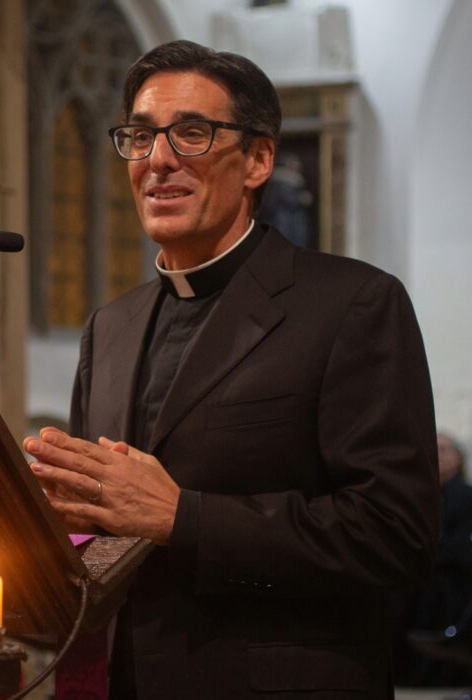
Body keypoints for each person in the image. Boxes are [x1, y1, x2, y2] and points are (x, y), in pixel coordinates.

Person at [23, 39, 439, 699]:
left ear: (259, 159)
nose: (158, 160)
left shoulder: (351, 304)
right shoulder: (111, 327)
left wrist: (182, 518)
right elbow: (98, 520)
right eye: (140, 135)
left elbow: (396, 534)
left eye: (191, 133)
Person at [391, 433, 472, 685]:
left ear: (458, 458)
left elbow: (461, 546)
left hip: (449, 576)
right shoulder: (416, 495)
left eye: (444, 449)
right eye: (433, 449)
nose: (438, 456)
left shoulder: (465, 495)